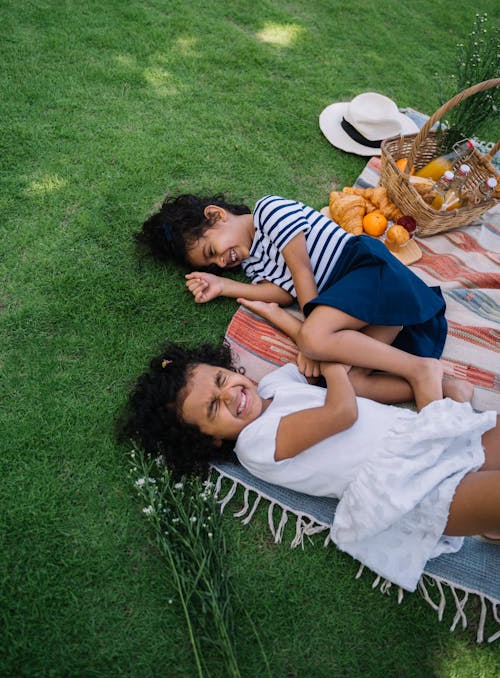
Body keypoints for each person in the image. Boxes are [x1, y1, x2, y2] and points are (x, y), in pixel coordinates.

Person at [120, 317, 499, 592]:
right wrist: (333, 366)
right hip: (406, 488)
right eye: (213, 409)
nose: (229, 395)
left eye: (222, 379)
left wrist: (268, 310)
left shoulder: (274, 384)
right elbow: (342, 412)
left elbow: (307, 345)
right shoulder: (255, 445)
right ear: (211, 441)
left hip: (419, 442)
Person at [136, 193, 448, 410]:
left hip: (367, 271)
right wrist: (225, 285)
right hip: (373, 309)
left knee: (314, 339)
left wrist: (312, 338)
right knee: (347, 381)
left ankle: (421, 370)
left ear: (216, 215)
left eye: (211, 251)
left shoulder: (269, 211)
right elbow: (284, 294)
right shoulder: (252, 265)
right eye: (212, 265)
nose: (221, 260)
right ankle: (446, 388)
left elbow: (302, 272)